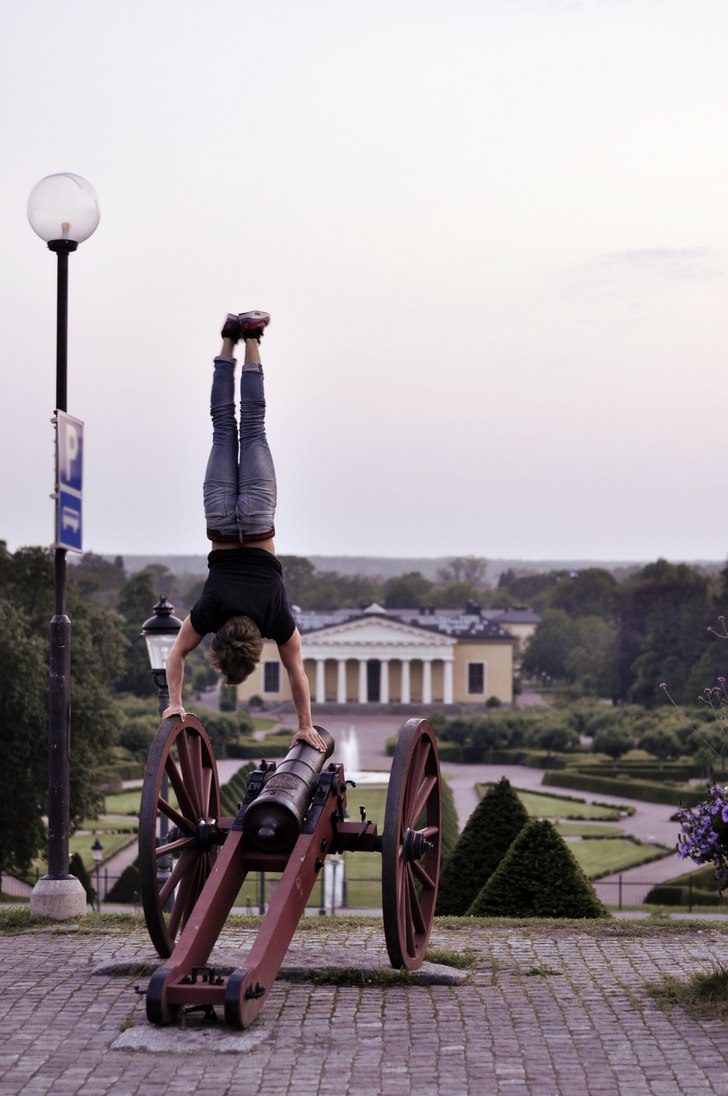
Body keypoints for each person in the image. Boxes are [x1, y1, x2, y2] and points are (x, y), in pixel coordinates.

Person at [163, 310, 326, 752]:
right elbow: (177, 655)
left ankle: (251, 338)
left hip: (256, 521)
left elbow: (297, 672)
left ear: (256, 648)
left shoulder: (275, 617)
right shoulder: (210, 612)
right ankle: (227, 343)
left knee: (252, 424)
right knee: (223, 427)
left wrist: (304, 725)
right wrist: (173, 703)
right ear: (222, 642)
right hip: (219, 520)